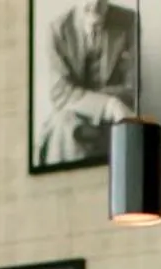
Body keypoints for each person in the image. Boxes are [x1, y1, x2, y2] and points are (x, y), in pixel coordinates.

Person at [35, 0, 137, 167]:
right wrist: (109, 105)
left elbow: (132, 86)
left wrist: (90, 103)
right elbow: (60, 92)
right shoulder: (57, 30)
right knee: (64, 125)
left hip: (114, 121)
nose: (95, 4)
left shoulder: (129, 22)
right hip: (74, 118)